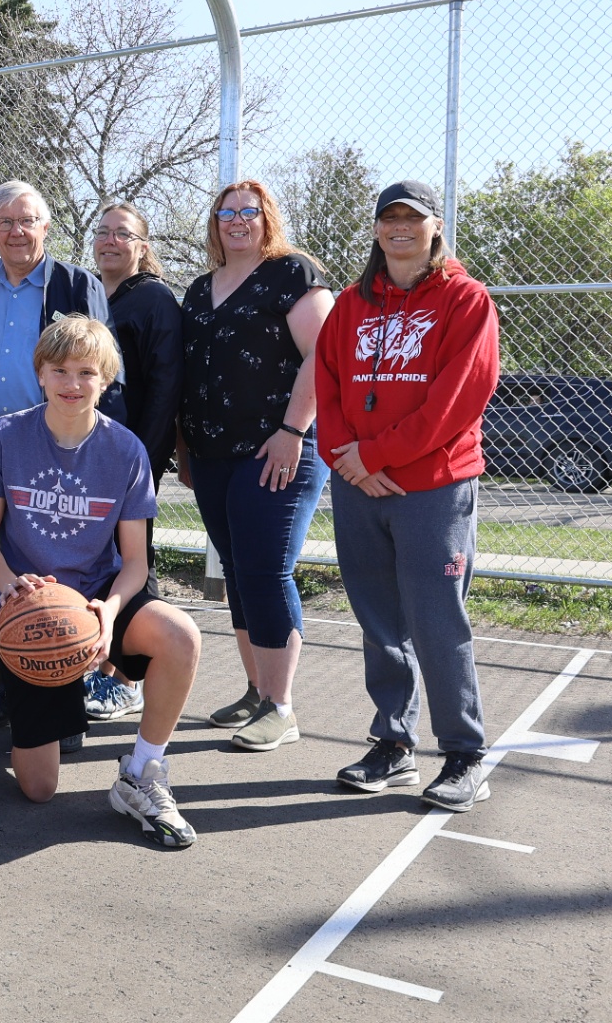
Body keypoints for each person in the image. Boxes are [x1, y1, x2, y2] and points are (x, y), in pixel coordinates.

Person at [0, 316, 202, 847]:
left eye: (86, 372)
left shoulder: (126, 450)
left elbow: (137, 561)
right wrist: (9, 587)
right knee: (39, 787)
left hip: (99, 593)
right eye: (61, 370)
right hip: (34, 606)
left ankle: (142, 771)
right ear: (41, 375)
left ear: (105, 379)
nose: (73, 383)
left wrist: (109, 615)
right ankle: (11, 725)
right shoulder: (5, 436)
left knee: (181, 636)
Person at [315, 180, 501, 812]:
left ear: (435, 226)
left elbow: (455, 403)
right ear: (375, 230)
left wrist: (376, 454)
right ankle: (392, 743)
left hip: (433, 485)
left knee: (435, 619)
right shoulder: (349, 304)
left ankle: (465, 754)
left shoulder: (465, 300)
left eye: (412, 218)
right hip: (358, 482)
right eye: (389, 218)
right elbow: (330, 385)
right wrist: (349, 459)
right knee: (377, 618)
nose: (400, 227)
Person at [0, 180, 118, 737]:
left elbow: (101, 366)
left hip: (60, 446)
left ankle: (68, 696)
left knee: (68, 573)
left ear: (46, 227)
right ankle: (11, 688)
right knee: (9, 573)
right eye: (4, 222)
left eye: (27, 221)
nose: (16, 231)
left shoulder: (76, 284)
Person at [176, 180, 333, 754]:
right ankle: (255, 690)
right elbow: (187, 373)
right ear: (214, 223)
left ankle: (281, 706)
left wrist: (293, 431)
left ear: (267, 218)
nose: (237, 221)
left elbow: (324, 354)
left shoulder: (293, 273)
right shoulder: (197, 289)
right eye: (226, 213)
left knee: (267, 570)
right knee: (238, 573)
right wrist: (186, 448)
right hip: (213, 454)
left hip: (277, 449)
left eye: (249, 212)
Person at [90, 202, 184, 719]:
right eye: (102, 232)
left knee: (132, 564)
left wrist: (143, 461)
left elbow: (166, 386)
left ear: (142, 246)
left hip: (133, 457)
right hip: (88, 457)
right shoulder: (90, 295)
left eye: (122, 234)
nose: (109, 241)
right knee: (95, 563)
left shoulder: (153, 300)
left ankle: (128, 678)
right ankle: (97, 670)